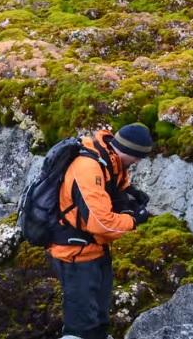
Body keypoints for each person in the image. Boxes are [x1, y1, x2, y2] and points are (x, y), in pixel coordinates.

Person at [48, 123, 154, 339]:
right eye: (138, 157)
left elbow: (117, 191)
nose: (137, 163)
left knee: (98, 321)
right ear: (130, 151)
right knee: (81, 326)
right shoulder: (88, 168)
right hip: (75, 254)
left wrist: (130, 199)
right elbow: (101, 223)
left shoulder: (111, 162)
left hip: (96, 249)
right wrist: (132, 220)